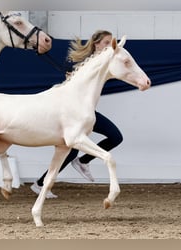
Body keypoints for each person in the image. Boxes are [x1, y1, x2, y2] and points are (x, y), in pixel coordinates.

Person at [30, 30, 123, 199]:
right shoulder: (83, 63)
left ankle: (82, 162)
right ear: (96, 44)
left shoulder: (105, 63)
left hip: (85, 112)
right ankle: (42, 184)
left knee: (115, 137)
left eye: (111, 42)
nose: (110, 45)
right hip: (72, 112)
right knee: (72, 150)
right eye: (106, 42)